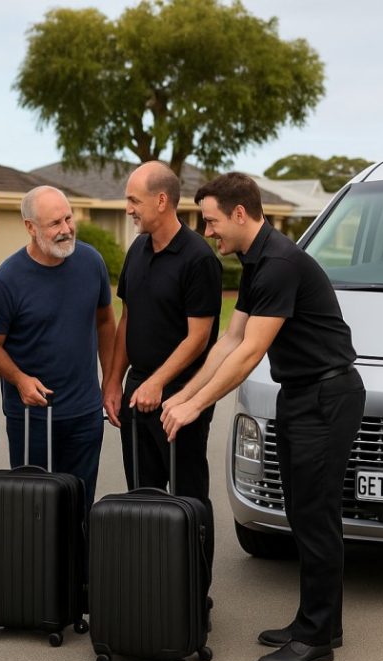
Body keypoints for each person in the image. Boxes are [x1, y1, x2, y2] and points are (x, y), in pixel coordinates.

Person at [161, 173, 365, 661]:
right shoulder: (255, 262)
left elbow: (251, 352)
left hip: (326, 395)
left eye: (210, 221)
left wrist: (195, 406)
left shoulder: (278, 263)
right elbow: (228, 341)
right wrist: (187, 395)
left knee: (315, 517)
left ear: (238, 213)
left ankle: (317, 638)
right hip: (300, 395)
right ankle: (319, 621)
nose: (208, 232)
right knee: (301, 511)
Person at [102, 161, 221, 564]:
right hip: (138, 391)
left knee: (189, 499)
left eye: (134, 200)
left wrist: (157, 382)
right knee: (142, 496)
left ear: (162, 200)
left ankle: (193, 594)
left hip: (184, 396)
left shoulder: (198, 258)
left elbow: (199, 336)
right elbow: (127, 319)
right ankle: (151, 588)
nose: (128, 209)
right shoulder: (137, 250)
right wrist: (114, 381)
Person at [0, 186, 115, 506]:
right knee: (34, 509)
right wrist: (19, 379)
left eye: (68, 218)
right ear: (30, 227)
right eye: (54, 224)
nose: (66, 229)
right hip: (32, 418)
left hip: (85, 415)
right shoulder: (6, 280)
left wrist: (110, 381)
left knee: (80, 505)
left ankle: (78, 559)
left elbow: (105, 322)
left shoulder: (92, 262)